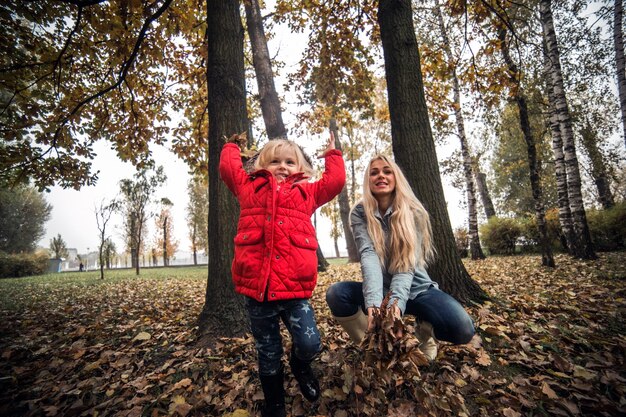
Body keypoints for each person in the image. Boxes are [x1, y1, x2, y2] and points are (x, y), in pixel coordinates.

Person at [219, 133, 345, 417]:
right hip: (259, 291)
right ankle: (275, 403)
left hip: (294, 291)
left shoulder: (306, 193)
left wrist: (333, 157)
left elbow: (334, 182)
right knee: (268, 353)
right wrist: (231, 146)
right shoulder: (249, 189)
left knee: (310, 342)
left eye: (290, 162)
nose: (282, 166)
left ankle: (300, 365)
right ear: (261, 164)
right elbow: (229, 170)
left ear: (300, 167)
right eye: (275, 161)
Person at [325, 154, 475, 361]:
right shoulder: (359, 213)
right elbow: (369, 256)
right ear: (368, 180)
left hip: (417, 289)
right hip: (380, 289)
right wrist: (375, 307)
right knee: (337, 293)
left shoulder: (414, 212)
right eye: (374, 172)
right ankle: (372, 345)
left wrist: (394, 309)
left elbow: (405, 267)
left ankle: (424, 331)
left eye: (387, 171)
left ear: (396, 177)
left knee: (463, 329)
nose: (381, 176)